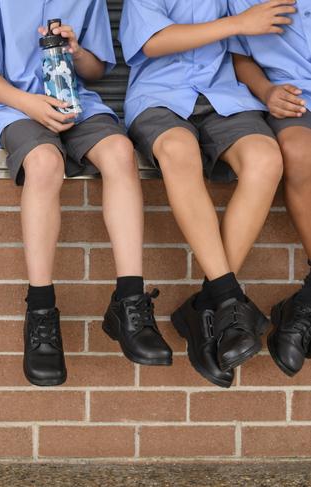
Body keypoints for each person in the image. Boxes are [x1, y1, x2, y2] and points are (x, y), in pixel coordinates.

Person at [0, 0, 172, 387]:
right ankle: (40, 312)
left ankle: (129, 302)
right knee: (44, 163)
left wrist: (77, 50)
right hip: (12, 106)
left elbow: (95, 69)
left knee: (120, 152)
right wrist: (29, 103)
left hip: (75, 104)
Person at [120, 0, 292, 387]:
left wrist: (266, 89)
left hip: (225, 95)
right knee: (179, 153)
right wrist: (236, 23)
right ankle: (228, 300)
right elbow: (154, 42)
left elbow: (247, 47)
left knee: (266, 159)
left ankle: (206, 308)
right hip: (160, 97)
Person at [230, 0, 311, 377]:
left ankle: (306, 304)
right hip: (292, 99)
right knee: (297, 152)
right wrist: (265, 91)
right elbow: (236, 54)